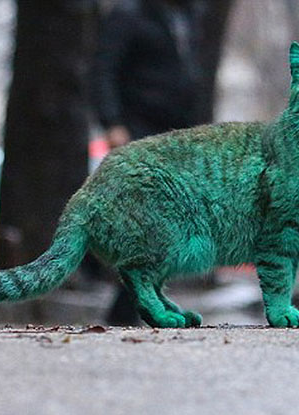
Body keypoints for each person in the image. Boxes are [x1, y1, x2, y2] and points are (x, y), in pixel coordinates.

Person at [92, 0, 210, 325]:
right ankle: (128, 304)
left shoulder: (188, 14)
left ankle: (132, 304)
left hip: (175, 135)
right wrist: (112, 122)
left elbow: (189, 75)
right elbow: (103, 70)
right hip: (138, 131)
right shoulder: (129, 14)